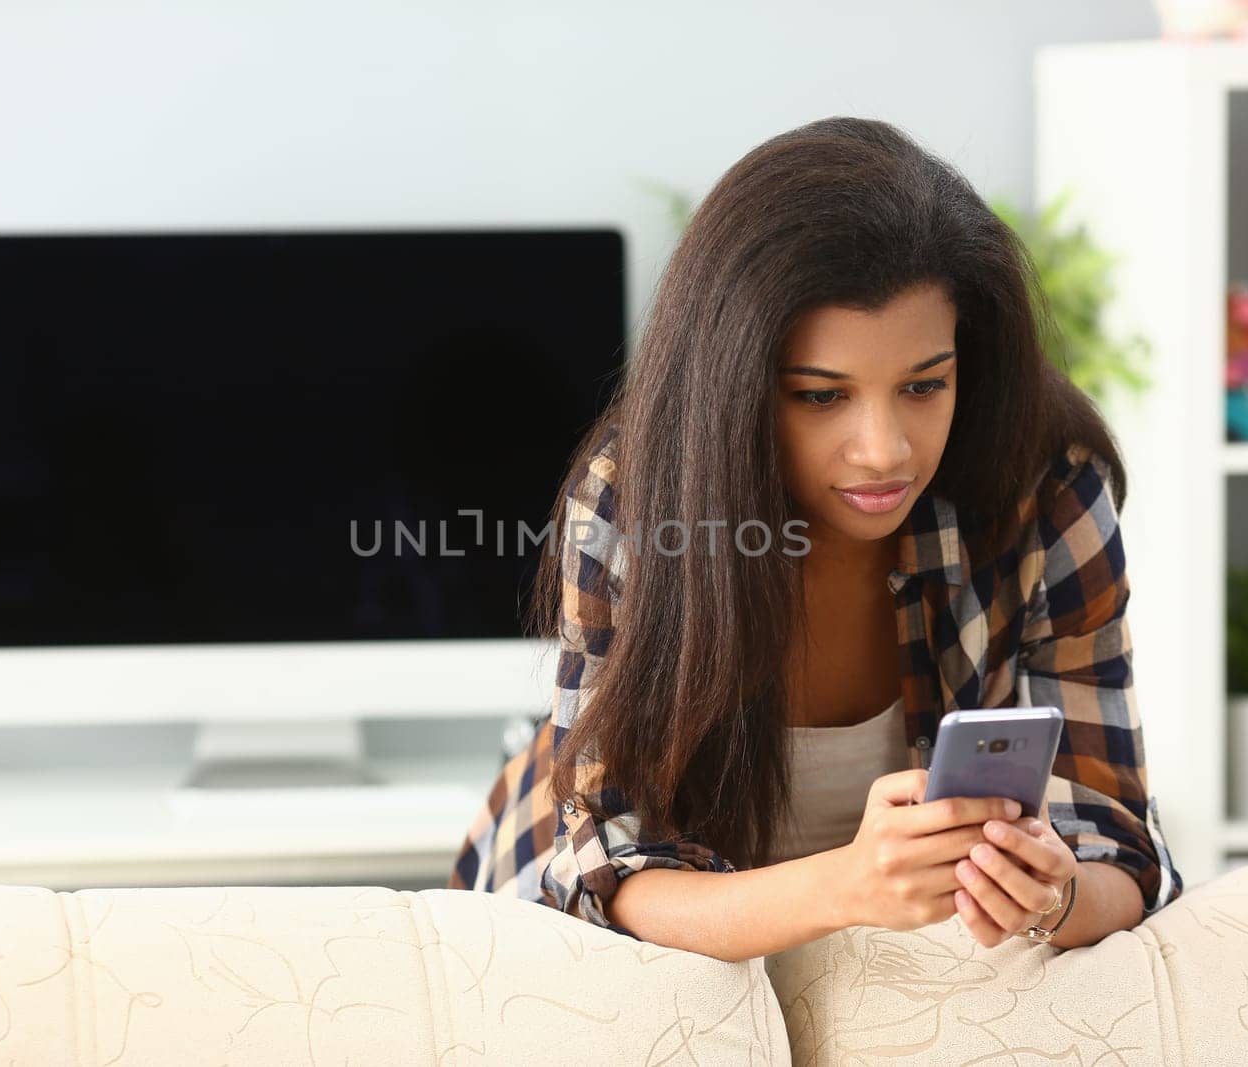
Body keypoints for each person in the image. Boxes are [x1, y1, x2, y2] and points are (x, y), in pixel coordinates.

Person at [447, 115, 1182, 963]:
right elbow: (612, 873)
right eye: (821, 396)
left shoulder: (1043, 484)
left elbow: (1120, 840)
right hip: (597, 938)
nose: (885, 449)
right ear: (739, 386)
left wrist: (1050, 895)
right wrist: (845, 884)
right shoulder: (638, 501)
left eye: (923, 385)